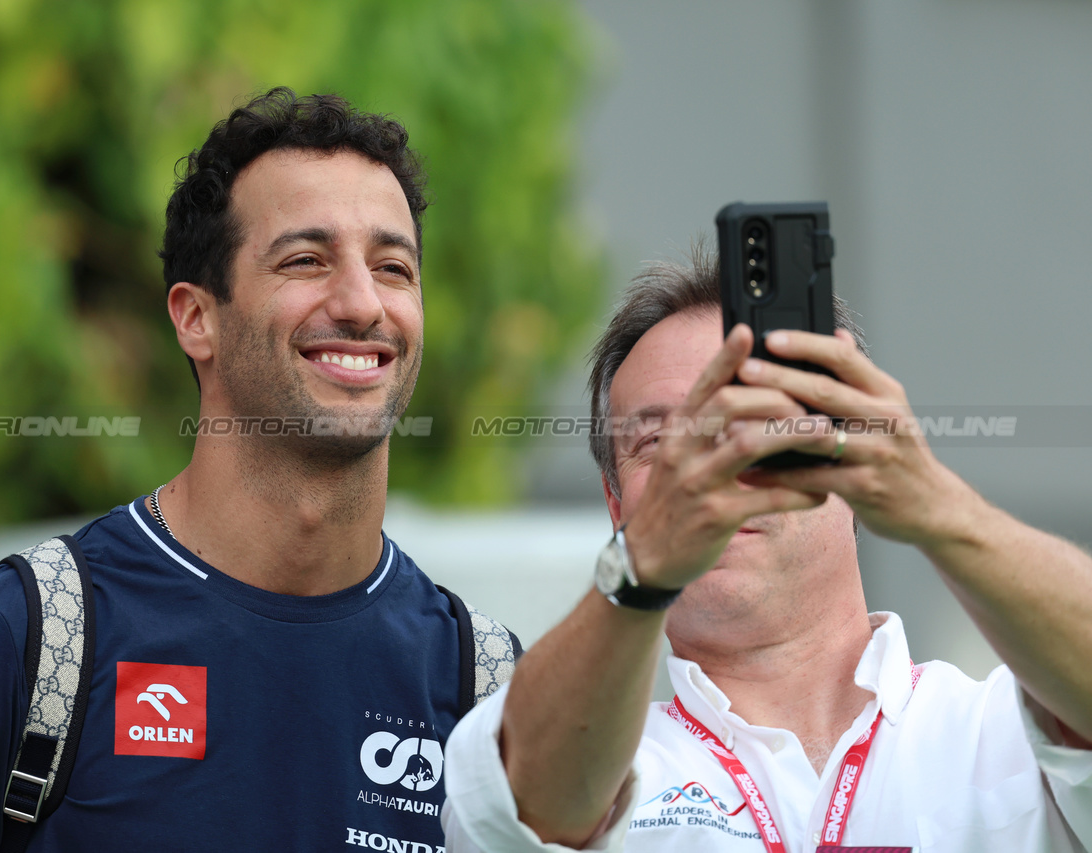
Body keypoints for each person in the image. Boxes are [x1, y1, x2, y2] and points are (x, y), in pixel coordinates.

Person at [0, 88, 518, 852]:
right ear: (196, 317)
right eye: (305, 260)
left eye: (394, 267)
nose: (361, 302)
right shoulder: (15, 636)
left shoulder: (486, 687)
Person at [441, 250, 1092, 852]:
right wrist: (641, 570)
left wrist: (938, 508)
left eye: (753, 424)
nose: (712, 462)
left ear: (857, 456)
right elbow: (517, 814)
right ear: (618, 510)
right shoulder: (589, 745)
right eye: (660, 442)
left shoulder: (1005, 731)